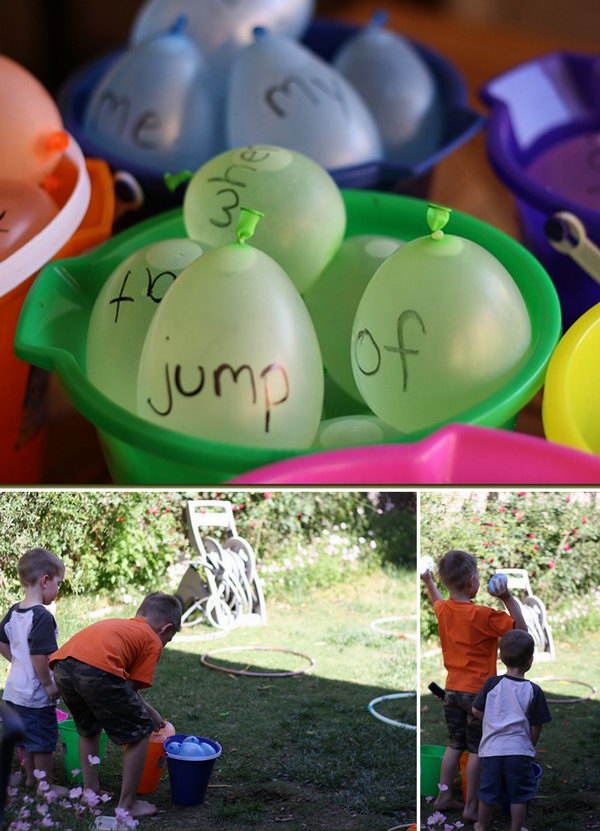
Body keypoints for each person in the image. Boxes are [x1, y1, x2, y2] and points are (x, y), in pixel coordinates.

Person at [50, 592, 182, 819]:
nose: (164, 645)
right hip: (96, 672)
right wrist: (147, 713)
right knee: (140, 732)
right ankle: (128, 803)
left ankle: (90, 791)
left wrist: (146, 709)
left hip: (63, 668)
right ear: (165, 628)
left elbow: (121, 690)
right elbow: (128, 688)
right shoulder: (151, 639)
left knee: (88, 728)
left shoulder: (121, 625)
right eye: (167, 641)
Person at [421, 549, 527, 822]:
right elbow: (521, 633)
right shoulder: (484, 615)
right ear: (471, 582)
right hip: (479, 694)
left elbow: (436, 600)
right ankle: (470, 807)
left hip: (452, 690)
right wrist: (507, 597)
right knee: (477, 749)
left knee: (454, 744)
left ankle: (443, 796)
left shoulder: (444, 609)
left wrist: (427, 581)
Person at [0, 547, 67, 793]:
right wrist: (49, 684)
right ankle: (44, 785)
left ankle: (30, 778)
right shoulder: (41, 616)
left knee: (24, 738)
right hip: (36, 693)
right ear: (45, 580)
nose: (58, 590)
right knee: (42, 740)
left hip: (14, 690)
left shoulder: (15, 611)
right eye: (58, 583)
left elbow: (1, 642)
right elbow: (40, 655)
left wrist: (18, 661)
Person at [472, 628, 551, 831]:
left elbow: (476, 709)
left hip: (491, 751)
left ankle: (481, 825)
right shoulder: (534, 691)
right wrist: (530, 747)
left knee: (488, 792)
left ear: (500, 657)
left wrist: (491, 720)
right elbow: (536, 725)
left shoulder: (492, 684)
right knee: (519, 795)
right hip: (519, 752)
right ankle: (515, 829)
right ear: (530, 661)